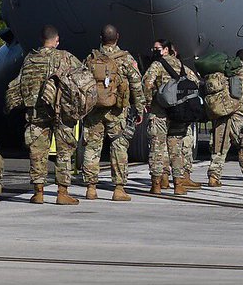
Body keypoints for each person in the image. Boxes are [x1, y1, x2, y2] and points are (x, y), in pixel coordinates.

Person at [19, 25, 85, 205]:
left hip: (36, 112)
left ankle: (38, 192)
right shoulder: (65, 57)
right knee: (64, 152)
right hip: (61, 112)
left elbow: (21, 84)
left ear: (42, 40)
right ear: (57, 40)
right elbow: (83, 78)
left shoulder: (30, 59)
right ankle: (62, 193)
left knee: (37, 151)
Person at [81, 24, 145, 201]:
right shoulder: (125, 59)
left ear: (101, 38)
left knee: (92, 147)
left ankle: (91, 188)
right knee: (119, 145)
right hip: (117, 110)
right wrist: (139, 108)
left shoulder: (90, 58)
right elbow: (136, 85)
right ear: (117, 37)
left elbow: (81, 83)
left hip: (94, 110)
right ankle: (118, 188)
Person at [142, 39, 199, 195]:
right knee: (176, 149)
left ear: (165, 49)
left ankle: (156, 184)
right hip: (178, 112)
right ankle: (178, 185)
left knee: (157, 148)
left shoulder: (157, 64)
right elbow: (194, 81)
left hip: (159, 112)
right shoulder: (182, 66)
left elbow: (147, 83)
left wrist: (148, 102)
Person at [207, 49, 243, 188]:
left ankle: (214, 177)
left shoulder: (224, 70)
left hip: (222, 115)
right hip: (240, 116)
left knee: (219, 147)